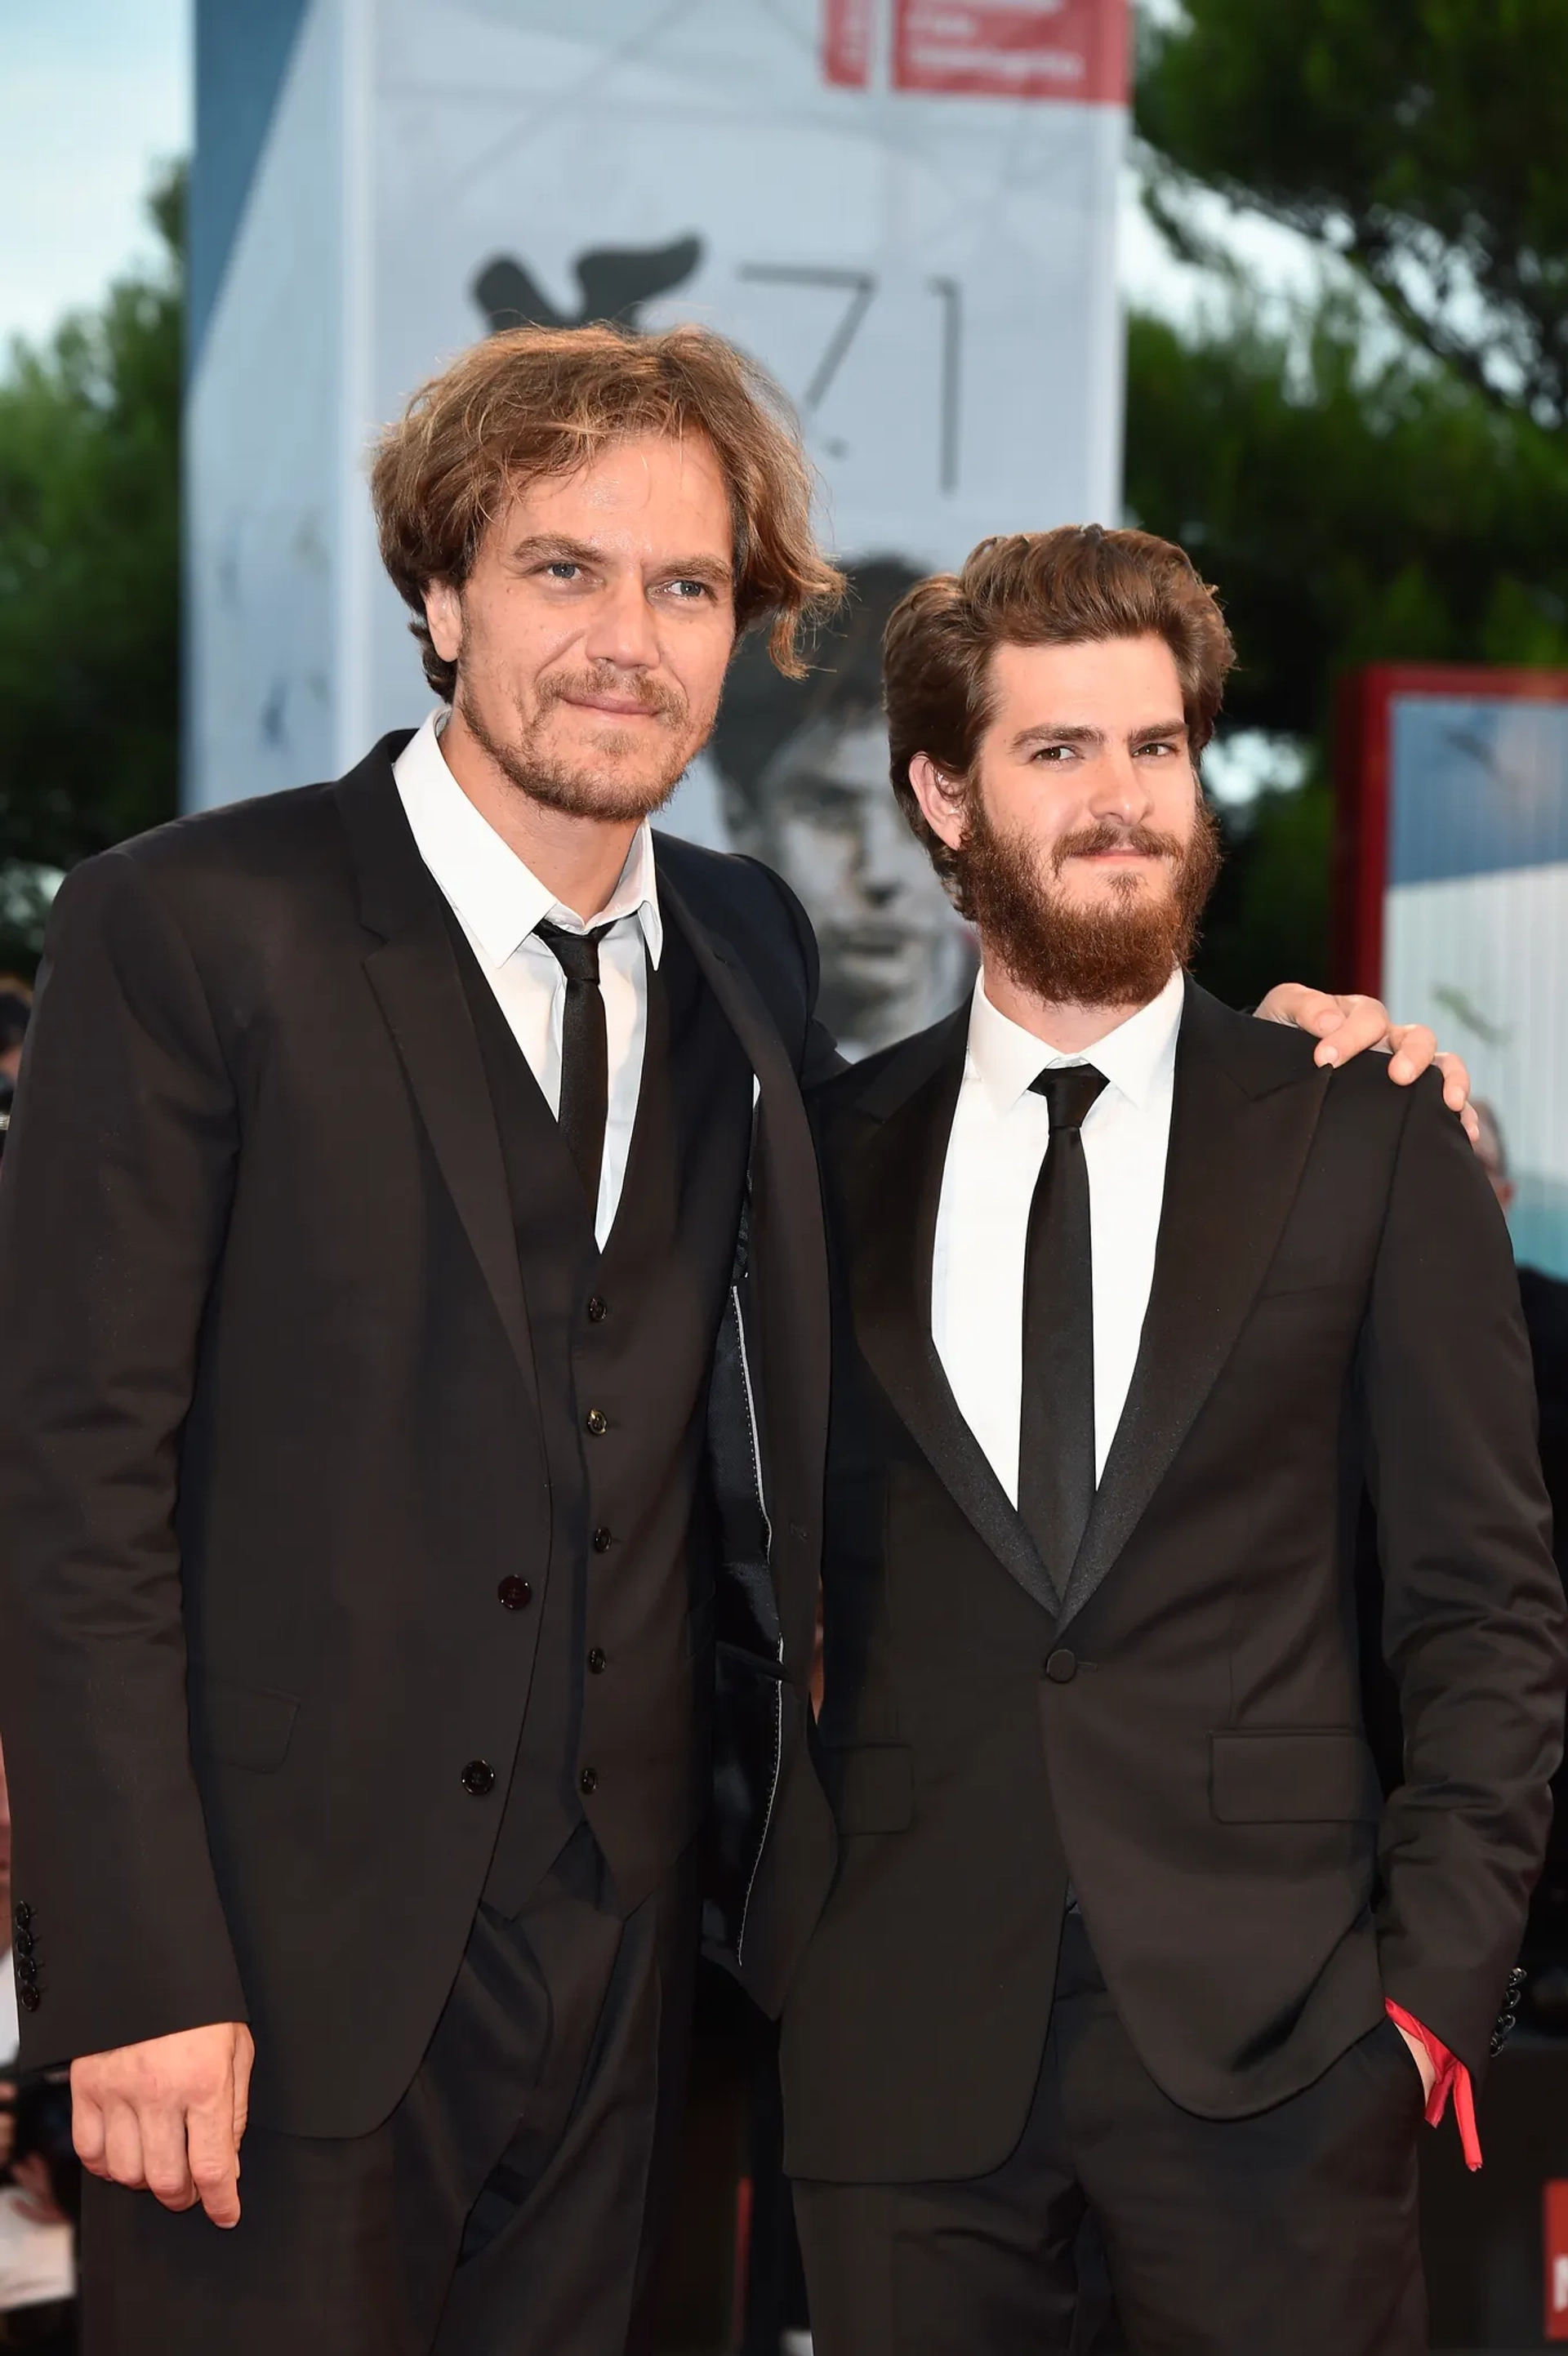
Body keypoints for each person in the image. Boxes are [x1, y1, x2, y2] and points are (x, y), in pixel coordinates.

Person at [0, 323, 1468, 2356]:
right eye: (561, 570)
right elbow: (73, 1495)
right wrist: (136, 1970)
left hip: (640, 2022)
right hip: (271, 2000)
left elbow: (1013, 1191)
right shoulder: (187, 928)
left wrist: (1313, 1066)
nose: (629, 638)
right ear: (439, 594)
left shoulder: (746, 953)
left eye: (686, 584)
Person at [782, 526, 1566, 2356]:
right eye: (1058, 751)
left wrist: (1437, 1988)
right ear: (945, 794)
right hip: (901, 2058)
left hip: (1286, 2061)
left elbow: (1487, 1603)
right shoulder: (817, 1164)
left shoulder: (1363, 1134)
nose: (1123, 797)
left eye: (1158, 745)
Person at [710, 559, 974, 1057]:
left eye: (925, 810)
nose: (881, 873)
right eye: (831, 809)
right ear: (741, 816)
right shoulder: (656, 1036)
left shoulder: (1066, 1040)